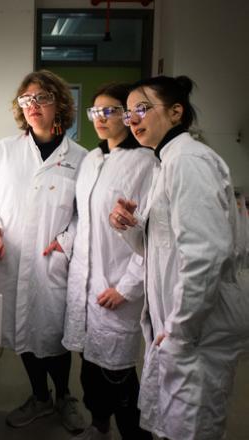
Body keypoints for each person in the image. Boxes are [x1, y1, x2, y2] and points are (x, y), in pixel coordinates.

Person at [109, 75, 249, 440]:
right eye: (129, 113)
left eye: (142, 108)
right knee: (175, 426)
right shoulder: (166, 162)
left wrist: (181, 331)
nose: (133, 119)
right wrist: (130, 226)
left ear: (175, 112)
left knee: (192, 430)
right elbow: (159, 251)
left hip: (198, 332)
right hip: (180, 326)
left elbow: (206, 255)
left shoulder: (187, 161)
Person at [0, 69, 87, 433]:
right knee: (22, 333)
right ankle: (39, 397)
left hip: (53, 261)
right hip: (14, 258)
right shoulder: (5, 151)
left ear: (59, 104)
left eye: (42, 98)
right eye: (27, 100)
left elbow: (85, 214)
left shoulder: (80, 158)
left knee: (53, 335)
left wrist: (66, 241)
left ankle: (65, 395)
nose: (33, 106)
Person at [62, 83, 156, 440]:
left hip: (117, 283)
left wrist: (127, 288)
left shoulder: (146, 163)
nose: (100, 118)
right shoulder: (91, 159)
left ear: (129, 115)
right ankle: (99, 426)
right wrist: (63, 244)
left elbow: (154, 236)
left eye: (110, 111)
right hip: (85, 282)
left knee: (118, 375)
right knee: (88, 366)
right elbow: (82, 219)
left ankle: (135, 434)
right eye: (95, 111)